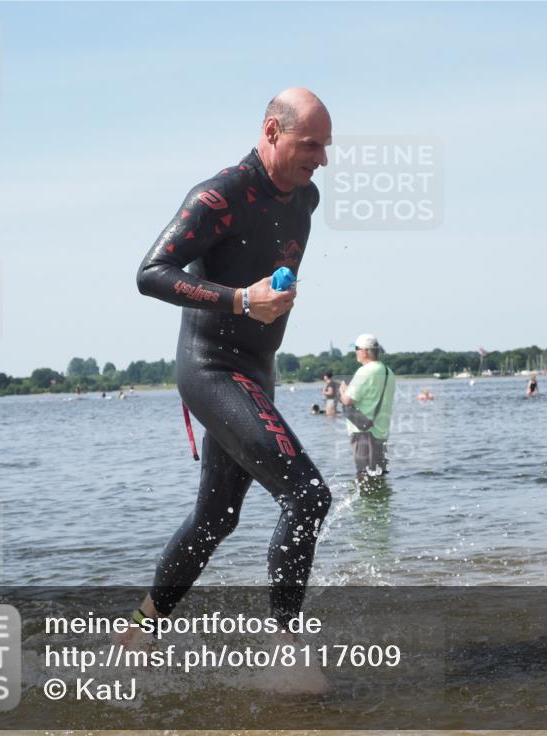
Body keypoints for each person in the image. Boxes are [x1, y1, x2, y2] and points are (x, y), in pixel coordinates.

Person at [129, 88, 333, 689]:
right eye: (311, 144)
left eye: (326, 146)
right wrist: (243, 299)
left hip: (257, 372)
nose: (322, 159)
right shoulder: (218, 197)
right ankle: (285, 649)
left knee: (214, 519)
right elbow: (150, 273)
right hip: (212, 369)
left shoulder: (306, 198)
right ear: (272, 131)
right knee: (307, 496)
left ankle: (139, 631)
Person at [340, 334, 395, 478]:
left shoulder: (365, 371)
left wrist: (343, 390)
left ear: (364, 351)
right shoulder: (388, 372)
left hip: (364, 432)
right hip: (381, 432)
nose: (356, 353)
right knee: (379, 476)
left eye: (356, 349)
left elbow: (347, 400)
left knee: (364, 476)